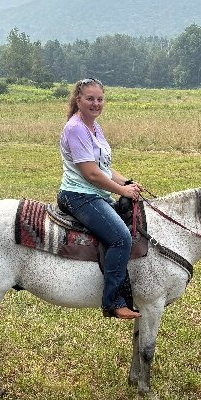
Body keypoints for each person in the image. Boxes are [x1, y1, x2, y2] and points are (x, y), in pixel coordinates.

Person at [57, 78, 142, 320]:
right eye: (90, 99)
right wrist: (121, 191)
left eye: (100, 99)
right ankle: (113, 301)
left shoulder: (94, 127)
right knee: (120, 238)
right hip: (79, 195)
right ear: (78, 100)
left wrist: (126, 182)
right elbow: (91, 173)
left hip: (95, 194)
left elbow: (104, 167)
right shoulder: (75, 129)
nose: (96, 103)